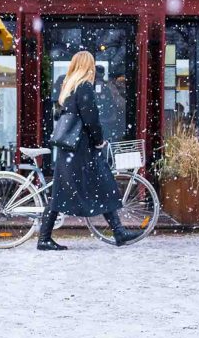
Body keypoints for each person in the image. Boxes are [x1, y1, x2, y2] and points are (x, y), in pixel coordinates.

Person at [38, 51, 139, 250]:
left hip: (70, 150)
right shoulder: (84, 87)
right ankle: (118, 232)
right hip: (81, 149)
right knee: (103, 183)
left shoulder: (69, 87)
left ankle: (45, 237)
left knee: (65, 190)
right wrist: (99, 141)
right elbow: (91, 119)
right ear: (88, 66)